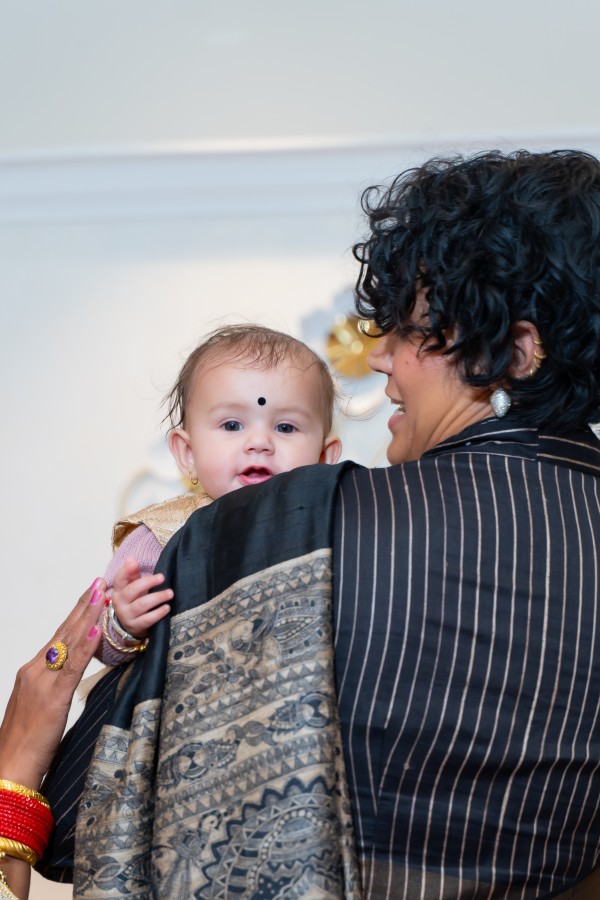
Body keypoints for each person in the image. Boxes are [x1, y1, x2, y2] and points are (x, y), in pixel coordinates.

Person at [2, 148, 600, 899]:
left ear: (515, 352)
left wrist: (19, 749)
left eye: (411, 331)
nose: (379, 356)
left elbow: (85, 829)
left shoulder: (274, 532)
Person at [98, 323, 342, 664]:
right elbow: (101, 646)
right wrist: (124, 623)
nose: (259, 442)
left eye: (285, 427)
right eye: (232, 425)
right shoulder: (163, 535)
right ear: (188, 453)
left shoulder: (334, 529)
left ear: (324, 458)